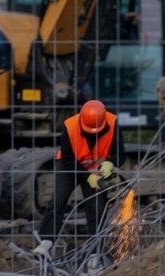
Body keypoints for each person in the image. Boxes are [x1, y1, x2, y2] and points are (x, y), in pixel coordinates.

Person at [32, 99, 125, 258]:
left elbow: (120, 154)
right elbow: (68, 159)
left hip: (96, 168)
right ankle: (46, 242)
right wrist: (88, 176)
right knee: (58, 201)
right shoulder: (70, 126)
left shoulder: (113, 123)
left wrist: (110, 164)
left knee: (97, 209)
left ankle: (96, 252)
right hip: (70, 167)